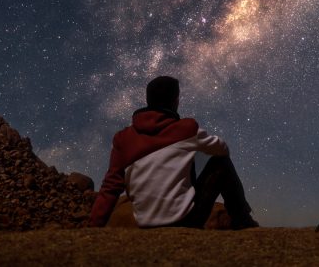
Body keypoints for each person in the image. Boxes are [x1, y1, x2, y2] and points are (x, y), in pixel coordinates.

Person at [89, 76, 258, 229]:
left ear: (148, 100)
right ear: (176, 101)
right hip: (186, 220)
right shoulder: (187, 128)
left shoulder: (123, 138)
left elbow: (110, 187)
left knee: (188, 156)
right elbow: (223, 150)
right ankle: (242, 220)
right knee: (219, 162)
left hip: (145, 224)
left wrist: (94, 228)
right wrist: (195, 145)